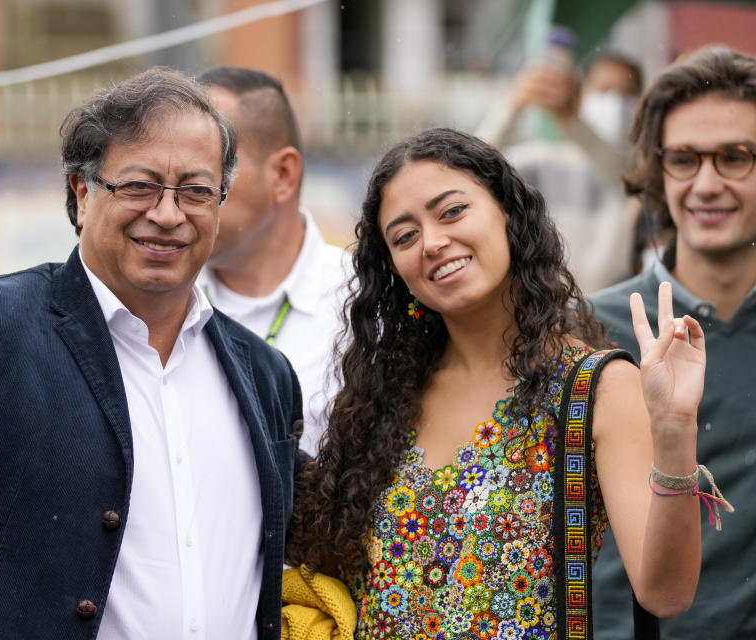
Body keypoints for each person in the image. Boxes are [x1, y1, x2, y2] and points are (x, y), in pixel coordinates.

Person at [0, 63, 301, 639]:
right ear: (82, 193)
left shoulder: (264, 375)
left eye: (195, 190)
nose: (168, 214)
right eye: (138, 185)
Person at [286, 127, 713, 638]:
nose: (434, 242)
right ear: (394, 268)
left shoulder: (597, 390)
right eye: (404, 236)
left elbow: (665, 594)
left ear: (508, 212)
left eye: (452, 212)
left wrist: (675, 430)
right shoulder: (379, 399)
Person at [591, 46, 756, 639]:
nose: (706, 184)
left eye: (736, 157)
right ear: (657, 170)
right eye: (684, 159)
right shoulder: (587, 332)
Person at [195, 66, 351, 456]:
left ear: (283, 174)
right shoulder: (144, 306)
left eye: (208, 162)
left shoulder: (369, 304)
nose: (179, 187)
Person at [475, 48, 644, 293]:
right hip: (546, 313)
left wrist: (570, 119)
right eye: (604, 89)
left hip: (611, 310)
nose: (615, 101)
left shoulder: (640, 167)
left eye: (627, 93)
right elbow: (473, 169)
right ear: (583, 95)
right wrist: (514, 105)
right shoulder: (540, 160)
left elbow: (621, 174)